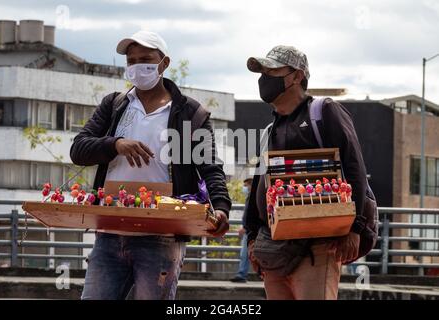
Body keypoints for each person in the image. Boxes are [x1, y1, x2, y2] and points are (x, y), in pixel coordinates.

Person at [70, 30, 231, 300]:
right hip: (111, 232)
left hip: (162, 236)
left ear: (164, 63)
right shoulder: (115, 105)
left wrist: (222, 207)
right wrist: (115, 144)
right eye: (131, 61)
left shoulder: (190, 113)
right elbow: (79, 150)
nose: (137, 66)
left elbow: (210, 166)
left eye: (145, 59)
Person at [244, 45, 368, 300]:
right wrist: (252, 237)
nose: (264, 78)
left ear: (297, 76)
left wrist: (355, 227)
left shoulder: (324, 112)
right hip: (274, 247)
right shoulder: (270, 130)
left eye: (272, 70)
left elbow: (354, 167)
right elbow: (259, 184)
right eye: (262, 72)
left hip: (319, 246)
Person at [230, 178, 253, 283]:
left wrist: (245, 227)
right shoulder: (250, 196)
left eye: (246, 185)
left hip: (249, 230)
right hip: (249, 229)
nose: (245, 188)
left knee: (245, 254)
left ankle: (242, 274)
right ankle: (242, 274)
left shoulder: (252, 197)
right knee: (246, 253)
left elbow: (250, 214)